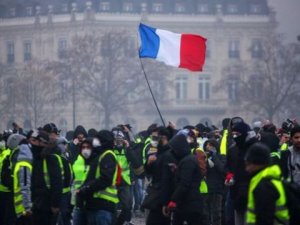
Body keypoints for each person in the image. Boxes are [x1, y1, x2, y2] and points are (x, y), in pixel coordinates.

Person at [77, 130, 119, 225]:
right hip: (94, 205)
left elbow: (105, 179)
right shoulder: (99, 155)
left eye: (97, 139)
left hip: (103, 205)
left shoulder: (108, 155)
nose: (95, 142)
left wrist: (86, 188)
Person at [245, 143, 289, 225]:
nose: (247, 169)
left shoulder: (264, 186)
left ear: (257, 163)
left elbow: (264, 219)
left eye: (248, 164)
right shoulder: (274, 179)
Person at [167, 133, 206, 225]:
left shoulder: (188, 161)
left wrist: (174, 199)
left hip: (190, 203)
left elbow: (184, 183)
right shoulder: (187, 159)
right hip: (188, 202)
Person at [225, 121, 257, 225]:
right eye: (233, 134)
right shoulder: (233, 149)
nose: (235, 136)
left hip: (250, 193)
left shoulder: (253, 148)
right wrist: (228, 174)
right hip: (235, 191)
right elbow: (228, 165)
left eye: (237, 134)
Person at [30, 130, 63, 225]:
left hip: (46, 205)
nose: (32, 144)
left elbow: (57, 183)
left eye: (34, 141)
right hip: (35, 204)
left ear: (42, 142)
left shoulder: (50, 159)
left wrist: (55, 204)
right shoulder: (33, 158)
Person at [144, 127, 171, 225]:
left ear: (163, 138)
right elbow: (150, 171)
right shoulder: (156, 151)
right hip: (156, 194)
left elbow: (166, 179)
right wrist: (149, 163)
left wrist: (165, 202)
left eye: (156, 138)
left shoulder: (169, 154)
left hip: (163, 196)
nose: (154, 140)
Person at [112, 128, 134, 225]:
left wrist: (128, 147)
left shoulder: (127, 150)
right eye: (117, 140)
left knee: (127, 206)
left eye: (120, 140)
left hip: (125, 181)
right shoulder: (111, 151)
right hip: (113, 182)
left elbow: (134, 162)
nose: (119, 142)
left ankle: (124, 221)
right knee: (113, 206)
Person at [203, 139, 226, 225]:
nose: (208, 147)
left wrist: (214, 156)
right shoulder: (204, 157)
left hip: (217, 189)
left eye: (210, 145)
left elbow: (222, 169)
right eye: (207, 145)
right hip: (206, 189)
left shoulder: (221, 156)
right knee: (206, 214)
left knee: (216, 213)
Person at [72, 138, 94, 225]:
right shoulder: (78, 161)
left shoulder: (95, 162)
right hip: (78, 202)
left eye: (88, 147)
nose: (85, 149)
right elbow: (74, 181)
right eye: (83, 147)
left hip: (91, 203)